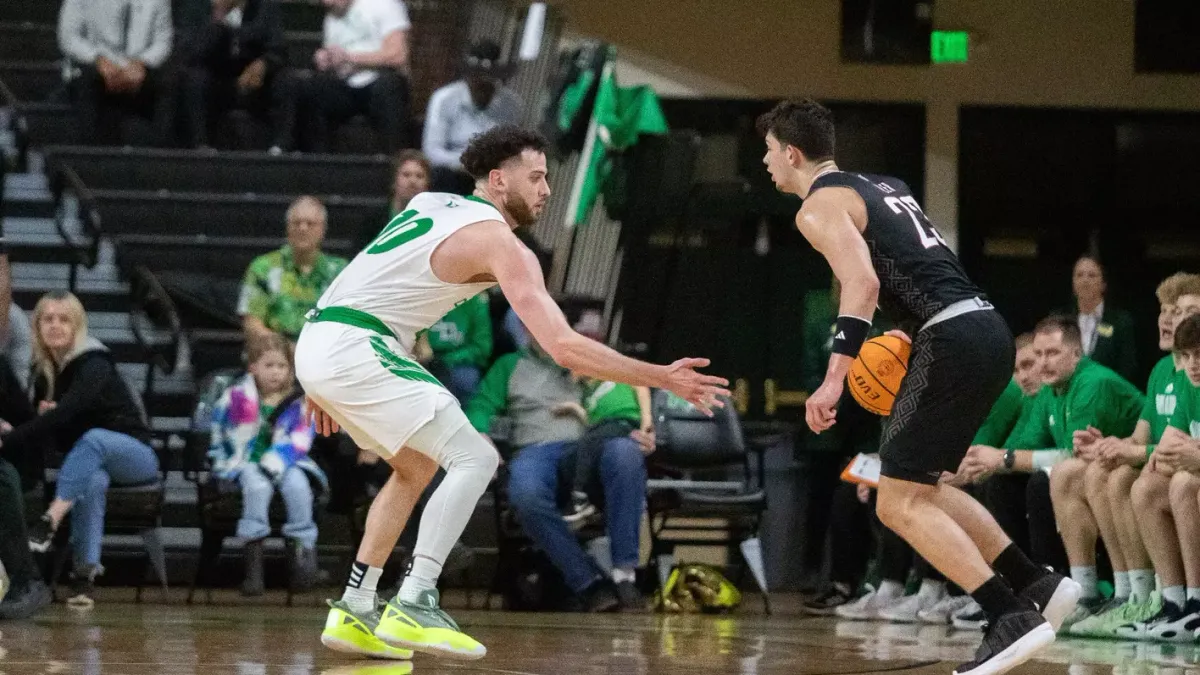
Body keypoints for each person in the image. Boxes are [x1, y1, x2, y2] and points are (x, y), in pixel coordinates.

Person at [297, 125, 728, 661]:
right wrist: (660, 376)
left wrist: (320, 375)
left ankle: (356, 606)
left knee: (416, 467)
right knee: (475, 457)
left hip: (326, 335)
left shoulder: (431, 203)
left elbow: (365, 273)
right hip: (356, 347)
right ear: (499, 180)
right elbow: (564, 347)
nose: (546, 190)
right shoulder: (504, 244)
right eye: (537, 177)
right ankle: (414, 600)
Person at [758, 99, 1078, 675]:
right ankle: (1035, 583)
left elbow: (861, 284)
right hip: (986, 327)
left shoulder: (817, 207)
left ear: (792, 153)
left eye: (768, 150)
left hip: (949, 336)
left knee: (896, 501)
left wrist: (834, 380)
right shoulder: (887, 186)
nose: (765, 162)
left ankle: (1008, 615)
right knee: (919, 487)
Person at [11, 292, 159, 608]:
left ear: (77, 325)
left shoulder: (94, 362)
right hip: (90, 461)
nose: (55, 326)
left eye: (64, 319)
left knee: (94, 438)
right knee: (91, 482)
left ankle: (49, 520)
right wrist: (41, 420)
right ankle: (84, 578)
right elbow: (57, 436)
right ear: (37, 325)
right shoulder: (44, 373)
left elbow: (71, 411)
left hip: (136, 456)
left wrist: (45, 421)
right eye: (48, 319)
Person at [208, 334, 327, 595]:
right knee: (257, 487)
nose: (275, 372)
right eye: (269, 365)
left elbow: (301, 439)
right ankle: (254, 570)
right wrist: (224, 458)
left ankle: (303, 559)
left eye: (281, 366)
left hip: (289, 462)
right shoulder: (236, 397)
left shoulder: (299, 402)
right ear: (253, 367)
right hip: (246, 461)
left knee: (299, 487)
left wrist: (276, 461)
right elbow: (222, 431)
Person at [1115, 281, 1200, 641]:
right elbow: (1163, 452)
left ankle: (1196, 603)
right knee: (1146, 488)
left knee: (1183, 483)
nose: (1193, 365)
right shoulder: (1188, 384)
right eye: (1188, 356)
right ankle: (1173, 601)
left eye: (1199, 355)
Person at [180, 0, 297, 151]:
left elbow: (279, 48)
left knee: (285, 80)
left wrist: (264, 64)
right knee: (195, 79)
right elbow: (191, 52)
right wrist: (218, 19)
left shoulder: (264, 6)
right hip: (218, 77)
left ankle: (280, 148)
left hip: (255, 80)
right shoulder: (199, 6)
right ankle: (201, 145)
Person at [58, 0, 174, 145]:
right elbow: (69, 38)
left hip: (138, 68)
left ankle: (160, 151)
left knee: (170, 83)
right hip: (93, 64)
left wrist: (140, 64)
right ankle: (89, 151)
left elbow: (163, 42)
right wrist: (99, 60)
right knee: (88, 81)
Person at [305, 0, 412, 152]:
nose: (327, 4)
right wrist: (326, 59)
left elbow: (397, 55)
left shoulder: (384, 5)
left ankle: (391, 158)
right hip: (346, 85)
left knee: (389, 85)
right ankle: (318, 160)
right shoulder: (332, 15)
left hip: (380, 82)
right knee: (314, 86)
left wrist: (350, 58)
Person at [239, 196, 349, 344]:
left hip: (325, 350)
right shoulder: (263, 267)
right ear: (287, 228)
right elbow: (252, 323)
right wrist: (284, 348)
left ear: (323, 229)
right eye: (296, 223)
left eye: (310, 223)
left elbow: (350, 321)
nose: (303, 228)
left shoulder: (340, 271)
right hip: (277, 352)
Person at [423, 39, 522, 194]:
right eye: (477, 76)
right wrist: (467, 163)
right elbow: (432, 151)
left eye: (488, 78)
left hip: (489, 176)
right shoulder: (444, 99)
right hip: (452, 172)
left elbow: (510, 150)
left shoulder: (511, 105)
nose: (482, 83)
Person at [1067, 255, 1137, 383]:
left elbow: (1127, 367)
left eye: (1092, 275)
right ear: (1073, 283)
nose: (1085, 281)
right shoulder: (1063, 321)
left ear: (1103, 284)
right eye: (1079, 275)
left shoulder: (1120, 321)